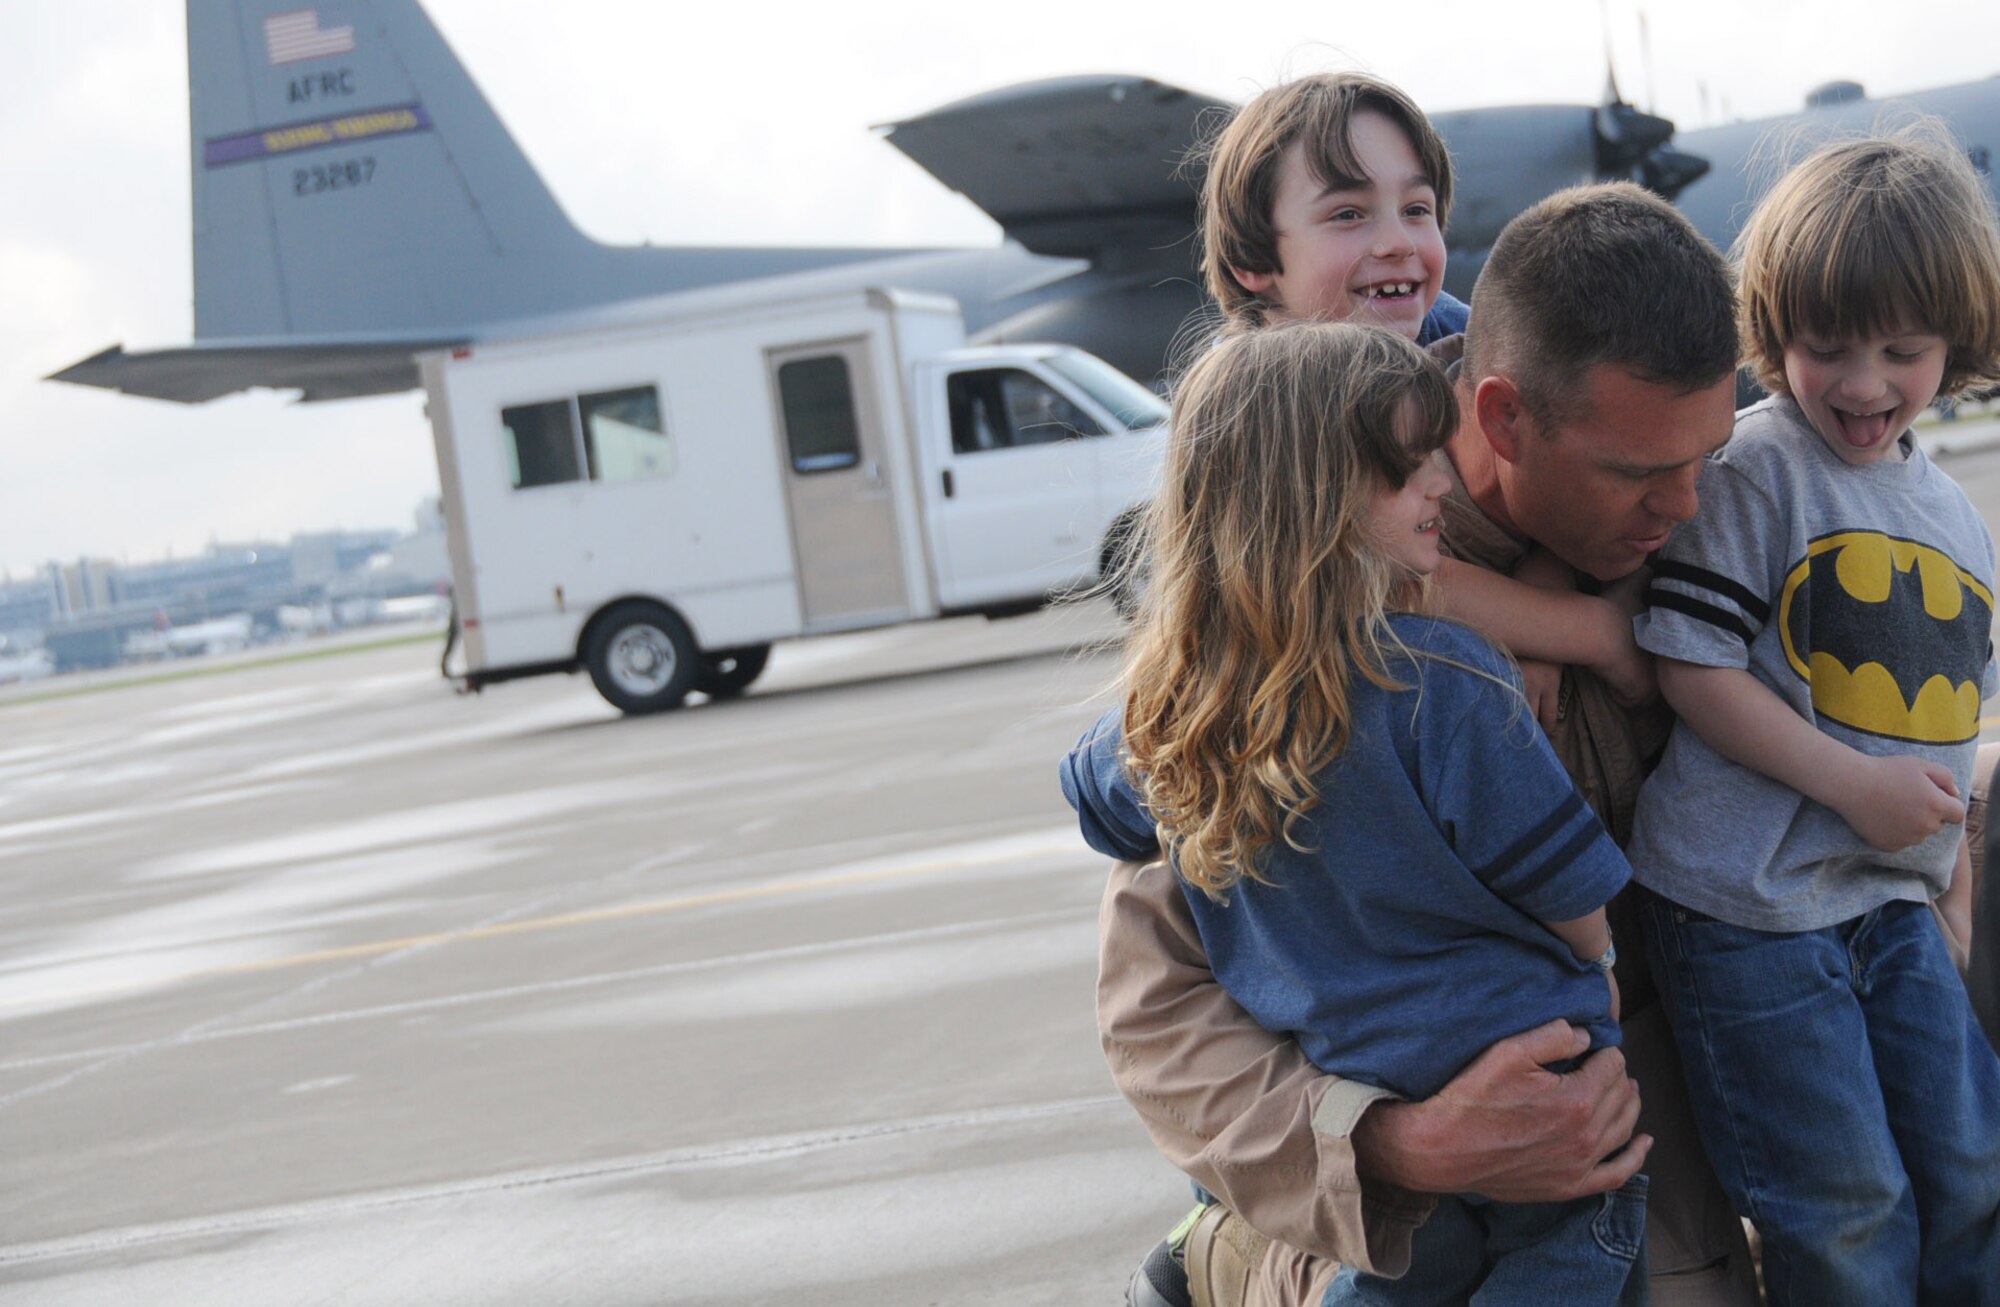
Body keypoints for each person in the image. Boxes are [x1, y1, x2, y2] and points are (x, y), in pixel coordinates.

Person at [1097, 180, 1756, 1307]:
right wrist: (1398, 1142)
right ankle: (1222, 1253)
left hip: (1668, 1101)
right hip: (1400, 1182)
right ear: (1495, 421)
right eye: (1641, 474)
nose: (1690, 506)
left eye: (1709, 454)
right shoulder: (1312, 632)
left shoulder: (1727, 517)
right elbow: (1156, 1010)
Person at [1627, 129, 2000, 1304]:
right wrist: (1849, 786)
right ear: (1771, 328)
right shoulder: (1753, 471)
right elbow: (1688, 664)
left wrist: (1946, 887)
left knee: (1971, 1168)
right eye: (1823, 346)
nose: (1860, 383)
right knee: (1846, 1209)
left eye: (1902, 350)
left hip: (1889, 903)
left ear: (1955, 343)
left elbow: (1938, 731)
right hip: (1753, 908)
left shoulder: (1950, 513)